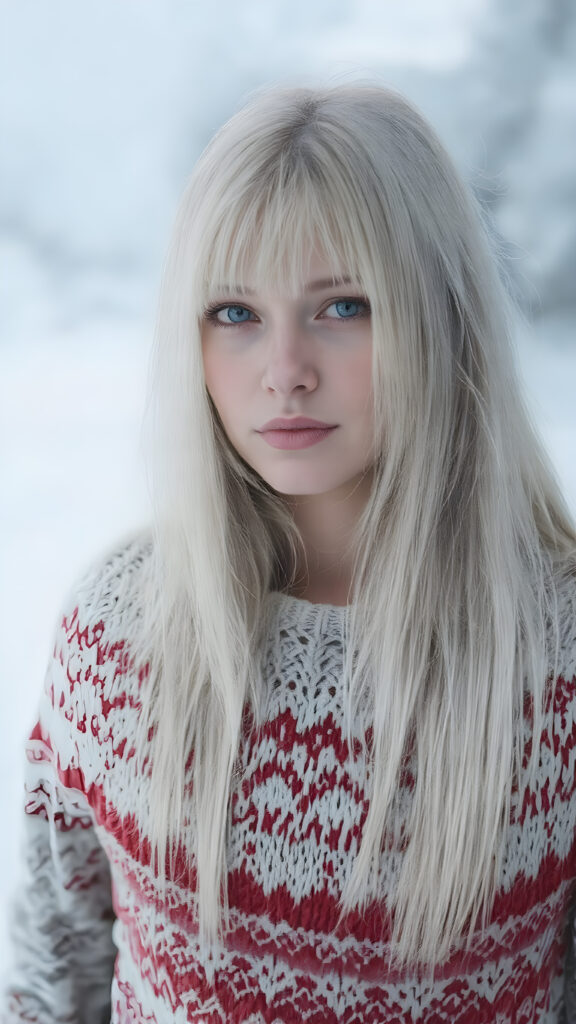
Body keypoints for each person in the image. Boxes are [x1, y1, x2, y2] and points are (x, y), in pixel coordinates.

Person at [3, 83, 576, 1024]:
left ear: (441, 314)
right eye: (235, 313)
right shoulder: (118, 639)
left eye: (343, 305)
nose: (285, 369)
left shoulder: (552, 654)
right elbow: (49, 986)